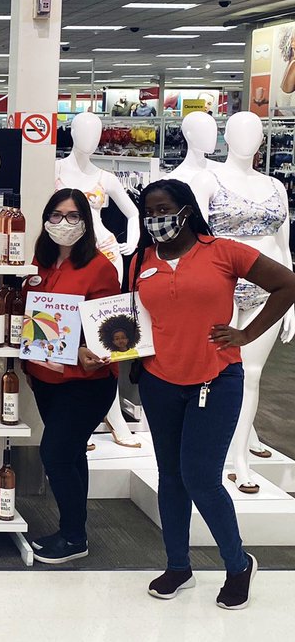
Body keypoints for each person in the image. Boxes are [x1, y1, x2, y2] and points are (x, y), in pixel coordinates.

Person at [130, 179, 295, 609]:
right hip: (159, 382)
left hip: (215, 381)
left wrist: (247, 333)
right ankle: (178, 565)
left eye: (163, 209)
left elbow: (287, 284)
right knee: (170, 476)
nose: (155, 219)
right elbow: (132, 318)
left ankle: (238, 565)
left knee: (201, 478)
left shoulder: (223, 251)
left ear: (186, 210)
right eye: (148, 212)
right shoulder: (142, 260)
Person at [21, 189, 121, 565]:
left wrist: (83, 349)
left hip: (86, 382)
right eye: (56, 215)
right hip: (45, 378)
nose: (64, 223)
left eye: (73, 216)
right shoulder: (40, 262)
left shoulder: (100, 268)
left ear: (86, 222)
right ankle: (73, 531)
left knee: (55, 454)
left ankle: (74, 536)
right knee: (72, 453)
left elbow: (109, 330)